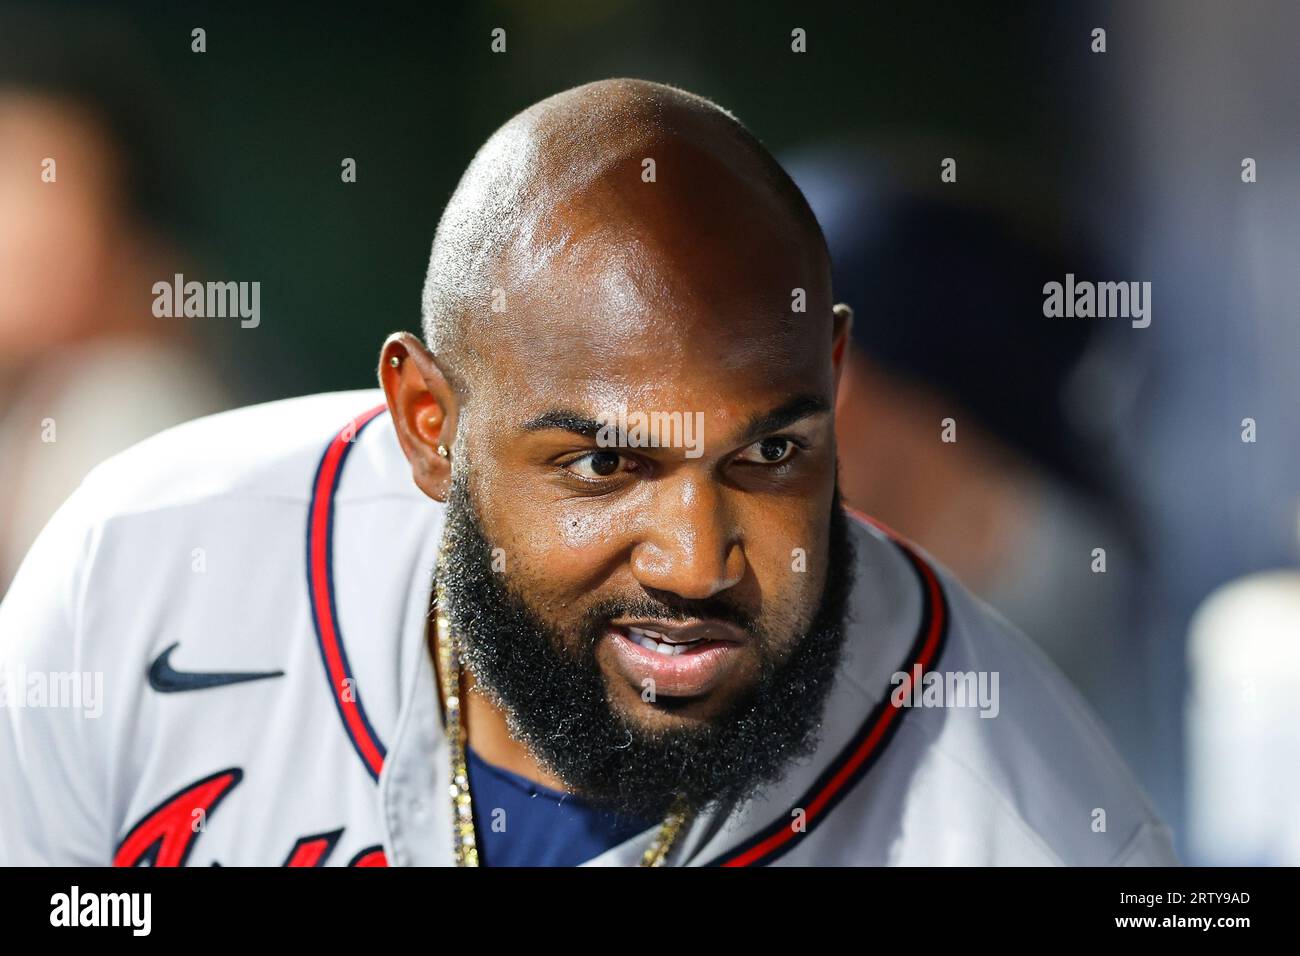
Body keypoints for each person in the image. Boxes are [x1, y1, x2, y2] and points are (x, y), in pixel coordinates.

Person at [0, 79, 1175, 866]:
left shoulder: (1021, 815)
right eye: (605, 462)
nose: (697, 557)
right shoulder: (143, 570)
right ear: (427, 421)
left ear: (831, 377)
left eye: (768, 452)